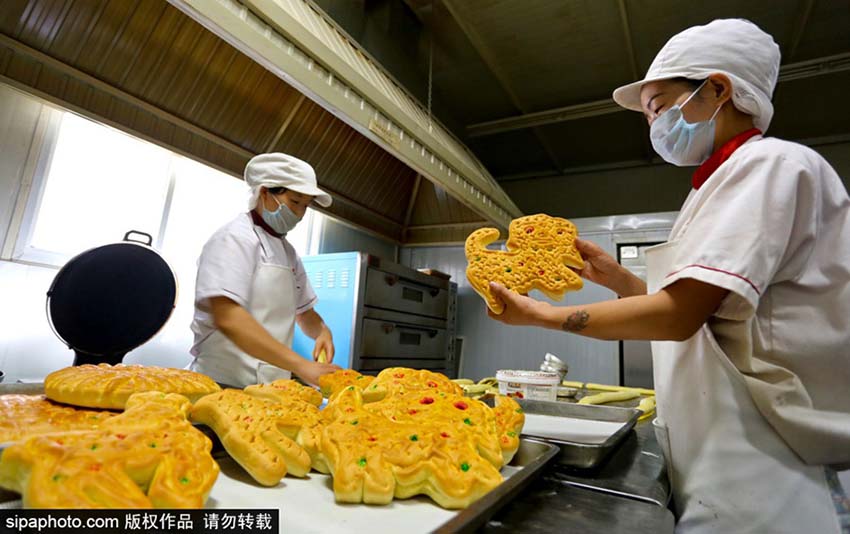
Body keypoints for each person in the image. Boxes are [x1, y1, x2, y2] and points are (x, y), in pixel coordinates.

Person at [487, 19, 850, 534]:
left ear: (718, 90)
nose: (653, 125)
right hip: (720, 450)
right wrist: (619, 281)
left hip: (766, 467)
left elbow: (679, 315)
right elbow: (702, 314)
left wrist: (542, 315)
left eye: (657, 107)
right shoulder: (713, 187)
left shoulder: (770, 165)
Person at [189, 153, 340, 388]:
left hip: (271, 386)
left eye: (306, 206)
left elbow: (304, 313)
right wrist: (300, 365)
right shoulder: (233, 240)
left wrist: (322, 331)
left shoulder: (287, 252)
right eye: (295, 202)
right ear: (264, 193)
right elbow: (228, 317)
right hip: (222, 383)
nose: (300, 214)